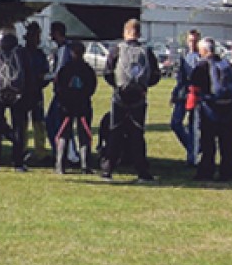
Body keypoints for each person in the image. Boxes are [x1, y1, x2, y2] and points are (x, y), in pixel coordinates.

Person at [100, 18, 160, 183]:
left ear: (125, 32)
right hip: (139, 99)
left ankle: (107, 170)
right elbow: (155, 74)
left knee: (115, 133)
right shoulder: (146, 51)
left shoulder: (117, 49)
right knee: (137, 135)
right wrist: (144, 87)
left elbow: (107, 72)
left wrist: (117, 87)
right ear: (139, 33)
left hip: (120, 98)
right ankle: (142, 171)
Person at [188, 38, 232, 182]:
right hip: (228, 108)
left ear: (204, 50)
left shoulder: (201, 66)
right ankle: (227, 171)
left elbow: (194, 86)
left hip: (209, 109)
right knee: (228, 143)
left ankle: (206, 171)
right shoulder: (227, 65)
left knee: (208, 142)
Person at [0, 29, 31, 172]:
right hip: (18, 94)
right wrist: (27, 95)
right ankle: (18, 163)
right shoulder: (21, 52)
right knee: (18, 128)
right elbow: (29, 75)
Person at [53, 40, 97, 174]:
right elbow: (92, 87)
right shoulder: (88, 69)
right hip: (83, 105)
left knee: (63, 135)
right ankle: (85, 165)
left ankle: (60, 165)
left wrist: (63, 99)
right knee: (84, 136)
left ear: (71, 53)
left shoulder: (65, 69)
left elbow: (58, 87)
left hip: (66, 106)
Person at [170, 29, 202, 166]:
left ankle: (192, 156)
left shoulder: (202, 57)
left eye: (195, 41)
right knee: (175, 123)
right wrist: (175, 93)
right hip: (183, 94)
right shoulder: (184, 56)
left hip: (196, 95)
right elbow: (180, 77)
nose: (192, 43)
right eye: (190, 41)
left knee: (194, 125)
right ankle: (192, 147)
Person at [22, 22, 52, 162]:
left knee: (38, 121)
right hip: (25, 91)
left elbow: (45, 72)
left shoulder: (38, 54)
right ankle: (22, 148)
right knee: (23, 122)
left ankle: (40, 150)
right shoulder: (22, 53)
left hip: (35, 90)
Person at [46, 21, 74, 163]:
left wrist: (44, 77)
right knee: (58, 122)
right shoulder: (66, 48)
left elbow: (59, 72)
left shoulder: (63, 49)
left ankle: (65, 153)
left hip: (62, 93)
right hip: (66, 93)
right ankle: (63, 152)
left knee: (56, 123)